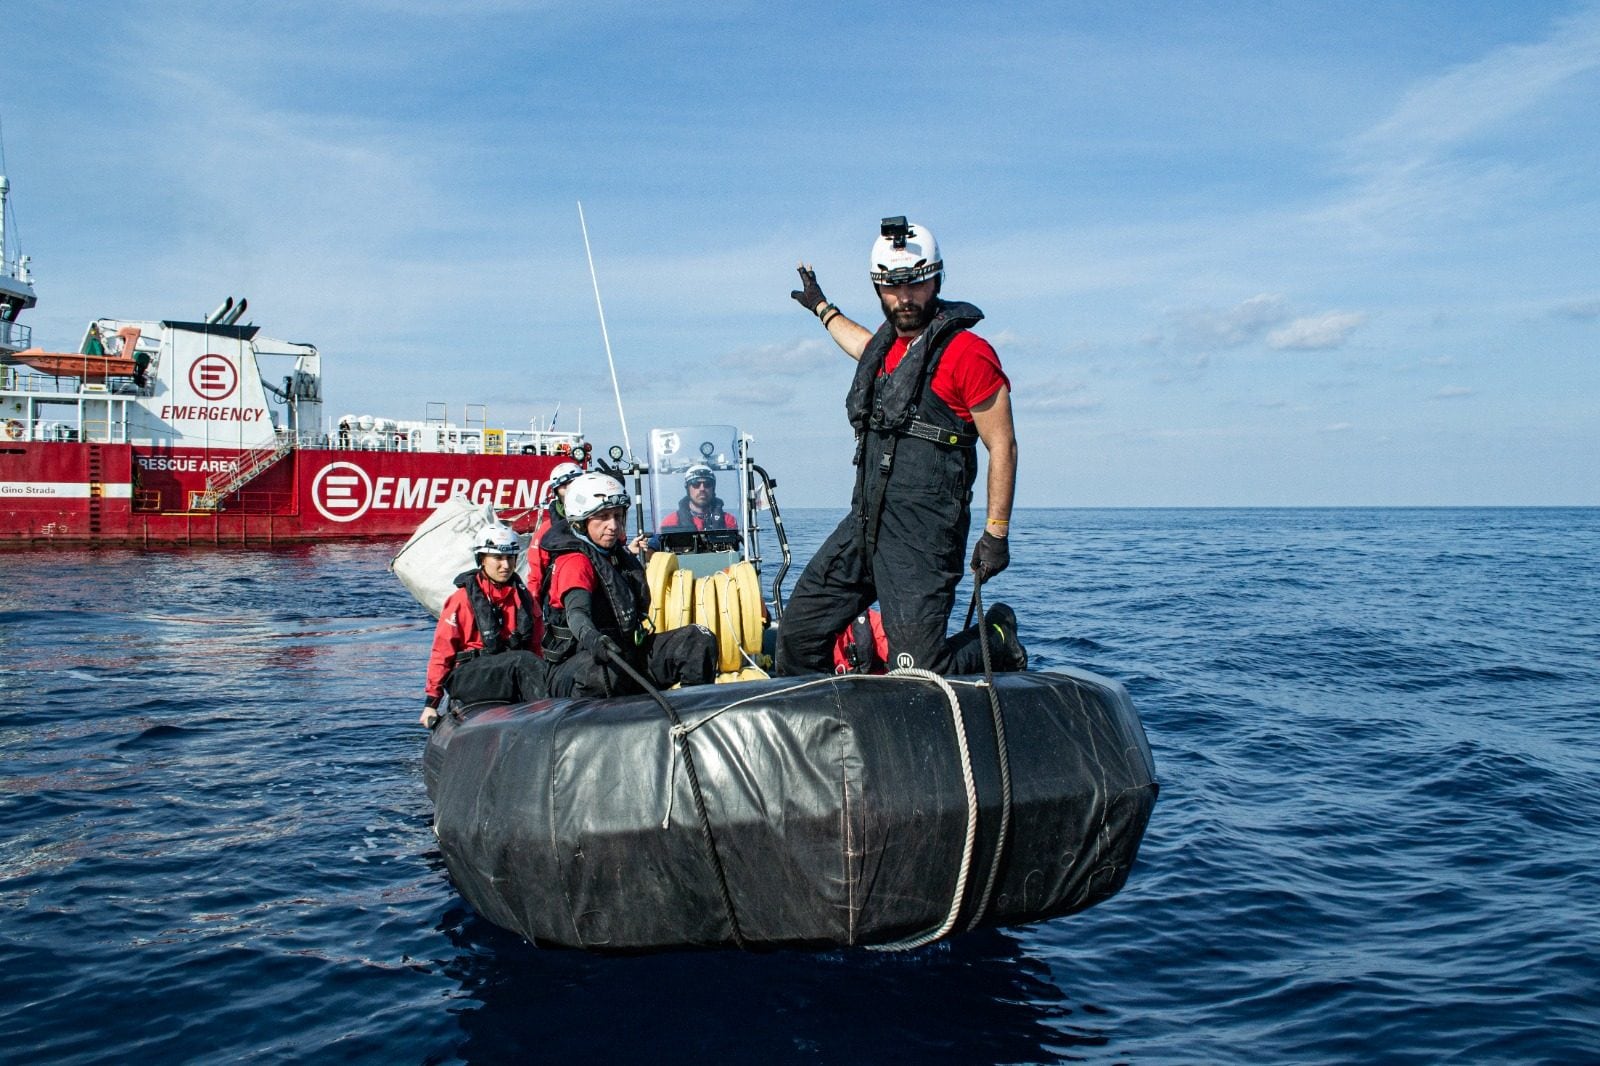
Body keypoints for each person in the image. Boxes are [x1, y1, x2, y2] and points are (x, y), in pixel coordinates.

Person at [776, 216, 1026, 677]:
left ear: (937, 278)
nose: (904, 298)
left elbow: (1003, 445)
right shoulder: (888, 349)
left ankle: (996, 637)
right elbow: (858, 343)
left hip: (922, 538)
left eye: (915, 284)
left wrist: (997, 532)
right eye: (891, 287)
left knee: (918, 670)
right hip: (866, 525)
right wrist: (820, 306)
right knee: (797, 636)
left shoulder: (969, 354)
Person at [541, 473, 716, 697]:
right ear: (581, 521)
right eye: (602, 517)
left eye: (617, 515)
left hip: (624, 651)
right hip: (578, 662)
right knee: (603, 673)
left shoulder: (615, 555)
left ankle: (692, 714)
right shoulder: (575, 562)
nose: (613, 525)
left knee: (698, 639)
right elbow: (577, 614)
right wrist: (592, 638)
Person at [419, 523, 548, 728]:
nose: (505, 565)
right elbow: (442, 651)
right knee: (523, 661)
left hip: (507, 675)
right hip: (471, 677)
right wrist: (431, 703)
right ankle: (546, 717)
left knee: (529, 661)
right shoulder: (462, 600)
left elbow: (536, 649)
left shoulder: (525, 600)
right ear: (482, 560)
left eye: (510, 558)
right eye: (497, 558)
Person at [658, 463, 739, 533]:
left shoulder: (727, 521)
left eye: (707, 484)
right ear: (687, 488)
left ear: (713, 488)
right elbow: (653, 547)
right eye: (696, 484)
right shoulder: (671, 521)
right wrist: (645, 547)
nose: (702, 489)